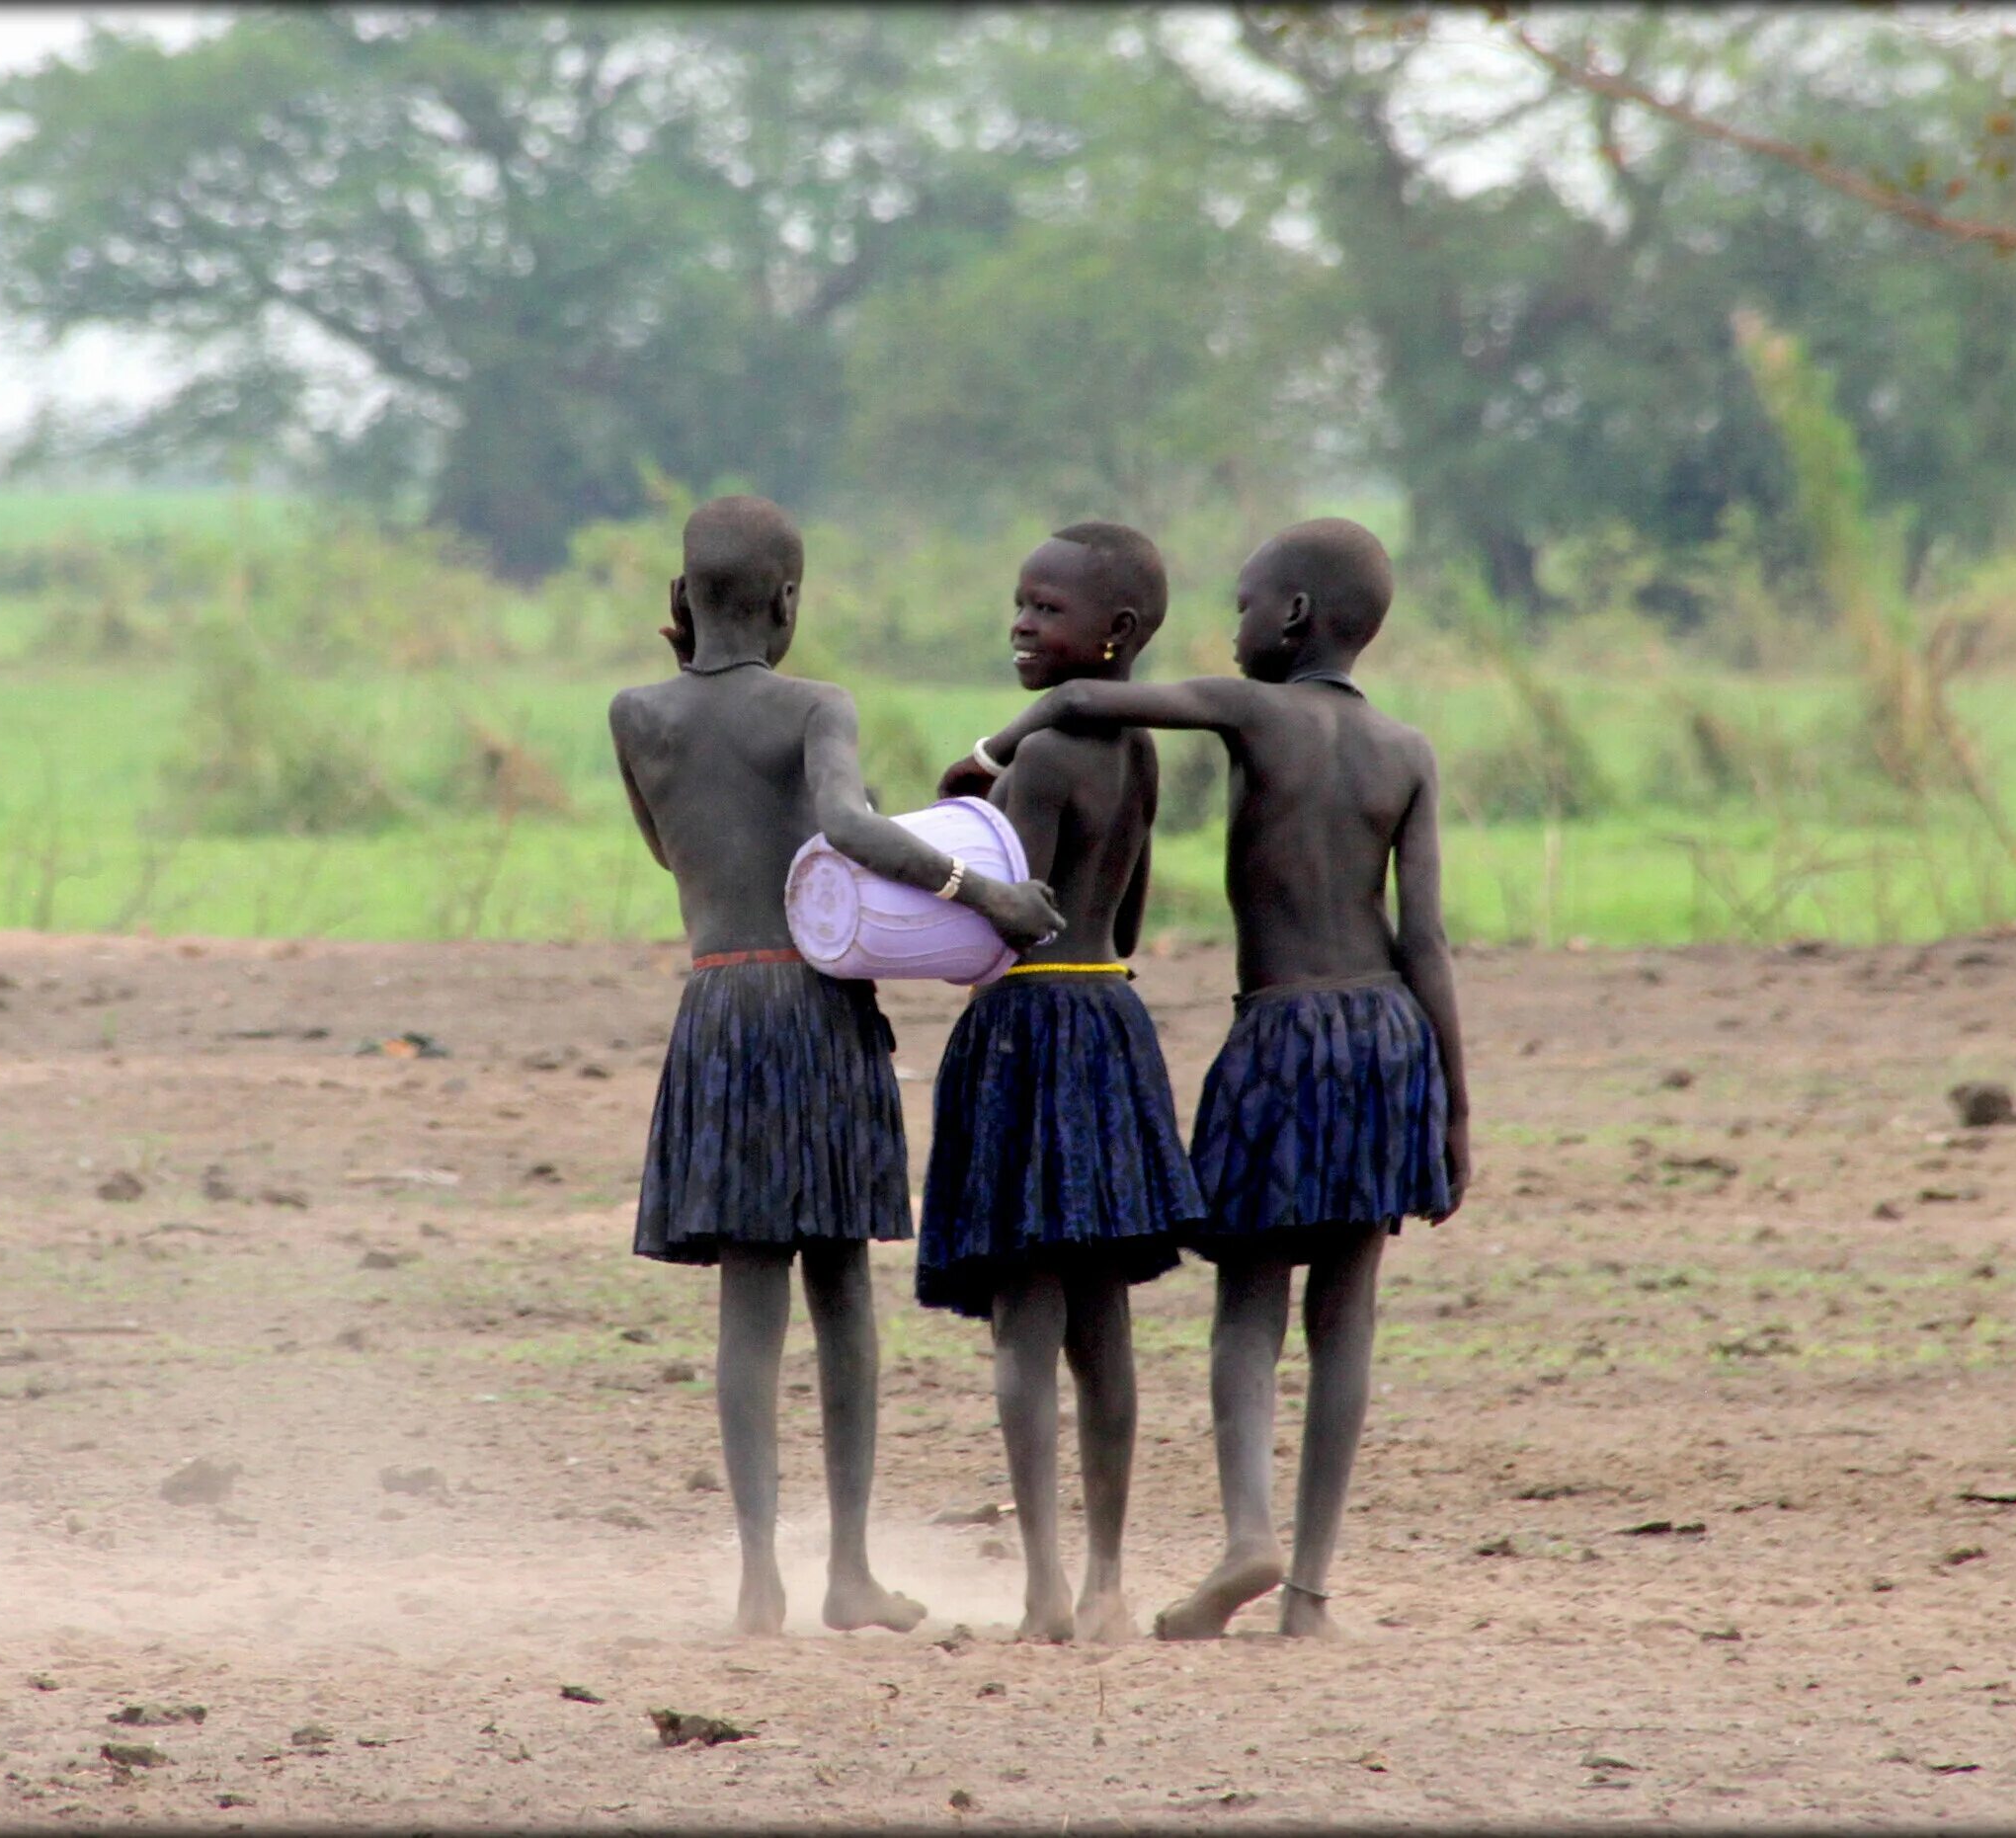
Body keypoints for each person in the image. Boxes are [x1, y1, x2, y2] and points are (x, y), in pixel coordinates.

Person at [950, 517, 1470, 1640]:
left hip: (1281, 1031)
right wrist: (1456, 1107)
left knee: (1249, 1306)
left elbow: (1087, 703)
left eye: (1242, 607)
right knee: (1349, 1314)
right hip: (1389, 1034)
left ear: (1288, 617)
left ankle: (1247, 1531)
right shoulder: (1411, 752)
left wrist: (992, 752)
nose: (1230, 628)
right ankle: (1312, 1593)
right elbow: (1425, 938)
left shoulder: (1252, 710)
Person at [609, 495, 1063, 1637]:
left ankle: (760, 1573)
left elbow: (670, 846)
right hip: (813, 1005)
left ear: (682, 598)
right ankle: (848, 1570)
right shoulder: (817, 704)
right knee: (842, 1290)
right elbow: (847, 827)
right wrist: (982, 891)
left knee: (745, 1304)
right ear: (789, 603)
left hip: (716, 1004)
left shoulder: (637, 714)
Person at [917, 522, 1204, 1644]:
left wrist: (956, 824)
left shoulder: (1036, 763)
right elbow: (1122, 921)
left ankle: (1041, 1586)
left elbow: (1005, 928)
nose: (1021, 625)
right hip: (1113, 1020)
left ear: (1114, 635)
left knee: (1025, 1330)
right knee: (1107, 1329)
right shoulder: (1142, 755)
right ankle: (1108, 1580)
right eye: (1021, 605)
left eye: (1046, 609)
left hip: (1029, 1034)